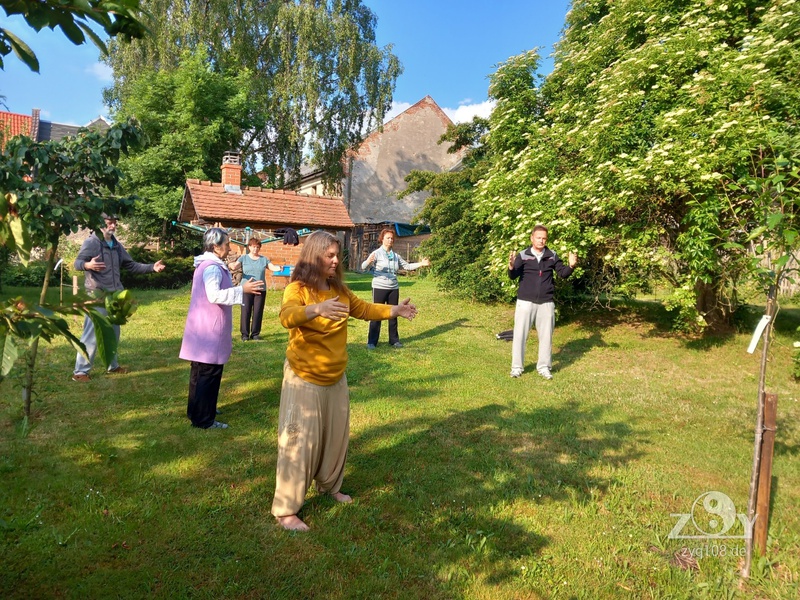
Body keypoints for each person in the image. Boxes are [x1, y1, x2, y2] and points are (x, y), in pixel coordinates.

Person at [272, 230, 418, 530]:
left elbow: (364, 309)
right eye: (330, 255)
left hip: (335, 377)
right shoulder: (298, 289)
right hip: (305, 378)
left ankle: (330, 485)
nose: (336, 260)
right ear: (314, 257)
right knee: (299, 442)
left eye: (337, 255)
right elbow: (287, 316)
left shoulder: (338, 289)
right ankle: (286, 510)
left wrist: (396, 310)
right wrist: (316, 309)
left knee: (336, 437)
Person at [179, 228, 265, 429]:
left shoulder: (208, 264)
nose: (229, 248)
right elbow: (214, 295)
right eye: (226, 244)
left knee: (199, 372)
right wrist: (241, 290)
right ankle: (204, 419)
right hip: (209, 329)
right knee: (208, 373)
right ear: (216, 247)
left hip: (201, 327)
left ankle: (198, 408)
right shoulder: (212, 268)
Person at [71, 214, 166, 382]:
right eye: (110, 222)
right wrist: (87, 265)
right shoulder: (92, 242)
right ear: (101, 224)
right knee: (91, 333)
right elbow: (77, 263)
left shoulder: (115, 244)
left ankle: (112, 366)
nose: (113, 226)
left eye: (115, 222)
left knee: (114, 333)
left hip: (115, 296)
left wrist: (152, 267)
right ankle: (80, 372)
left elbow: (130, 265)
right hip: (97, 295)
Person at [508, 225, 577, 380]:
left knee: (546, 337)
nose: (541, 240)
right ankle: (517, 368)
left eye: (544, 238)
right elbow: (513, 275)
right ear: (532, 238)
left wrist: (571, 266)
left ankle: (544, 367)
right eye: (538, 237)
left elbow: (562, 274)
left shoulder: (552, 255)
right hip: (525, 302)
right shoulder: (523, 255)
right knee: (520, 335)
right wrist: (511, 266)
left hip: (546, 302)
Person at [360, 228, 430, 349]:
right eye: (388, 238)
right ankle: (372, 341)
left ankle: (394, 340)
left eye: (392, 238)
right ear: (382, 239)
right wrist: (368, 261)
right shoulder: (376, 253)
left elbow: (407, 266)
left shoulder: (396, 256)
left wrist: (421, 264)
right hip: (379, 287)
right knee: (376, 314)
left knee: (394, 314)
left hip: (393, 288)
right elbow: (363, 267)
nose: (390, 240)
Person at [237, 238, 283, 341]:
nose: (255, 249)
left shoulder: (264, 259)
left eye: (258, 247)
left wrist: (278, 268)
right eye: (254, 247)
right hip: (246, 289)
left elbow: (272, 267)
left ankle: (255, 334)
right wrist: (231, 265)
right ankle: (244, 335)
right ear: (249, 247)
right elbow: (235, 266)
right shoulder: (243, 258)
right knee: (246, 311)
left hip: (260, 290)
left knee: (258, 312)